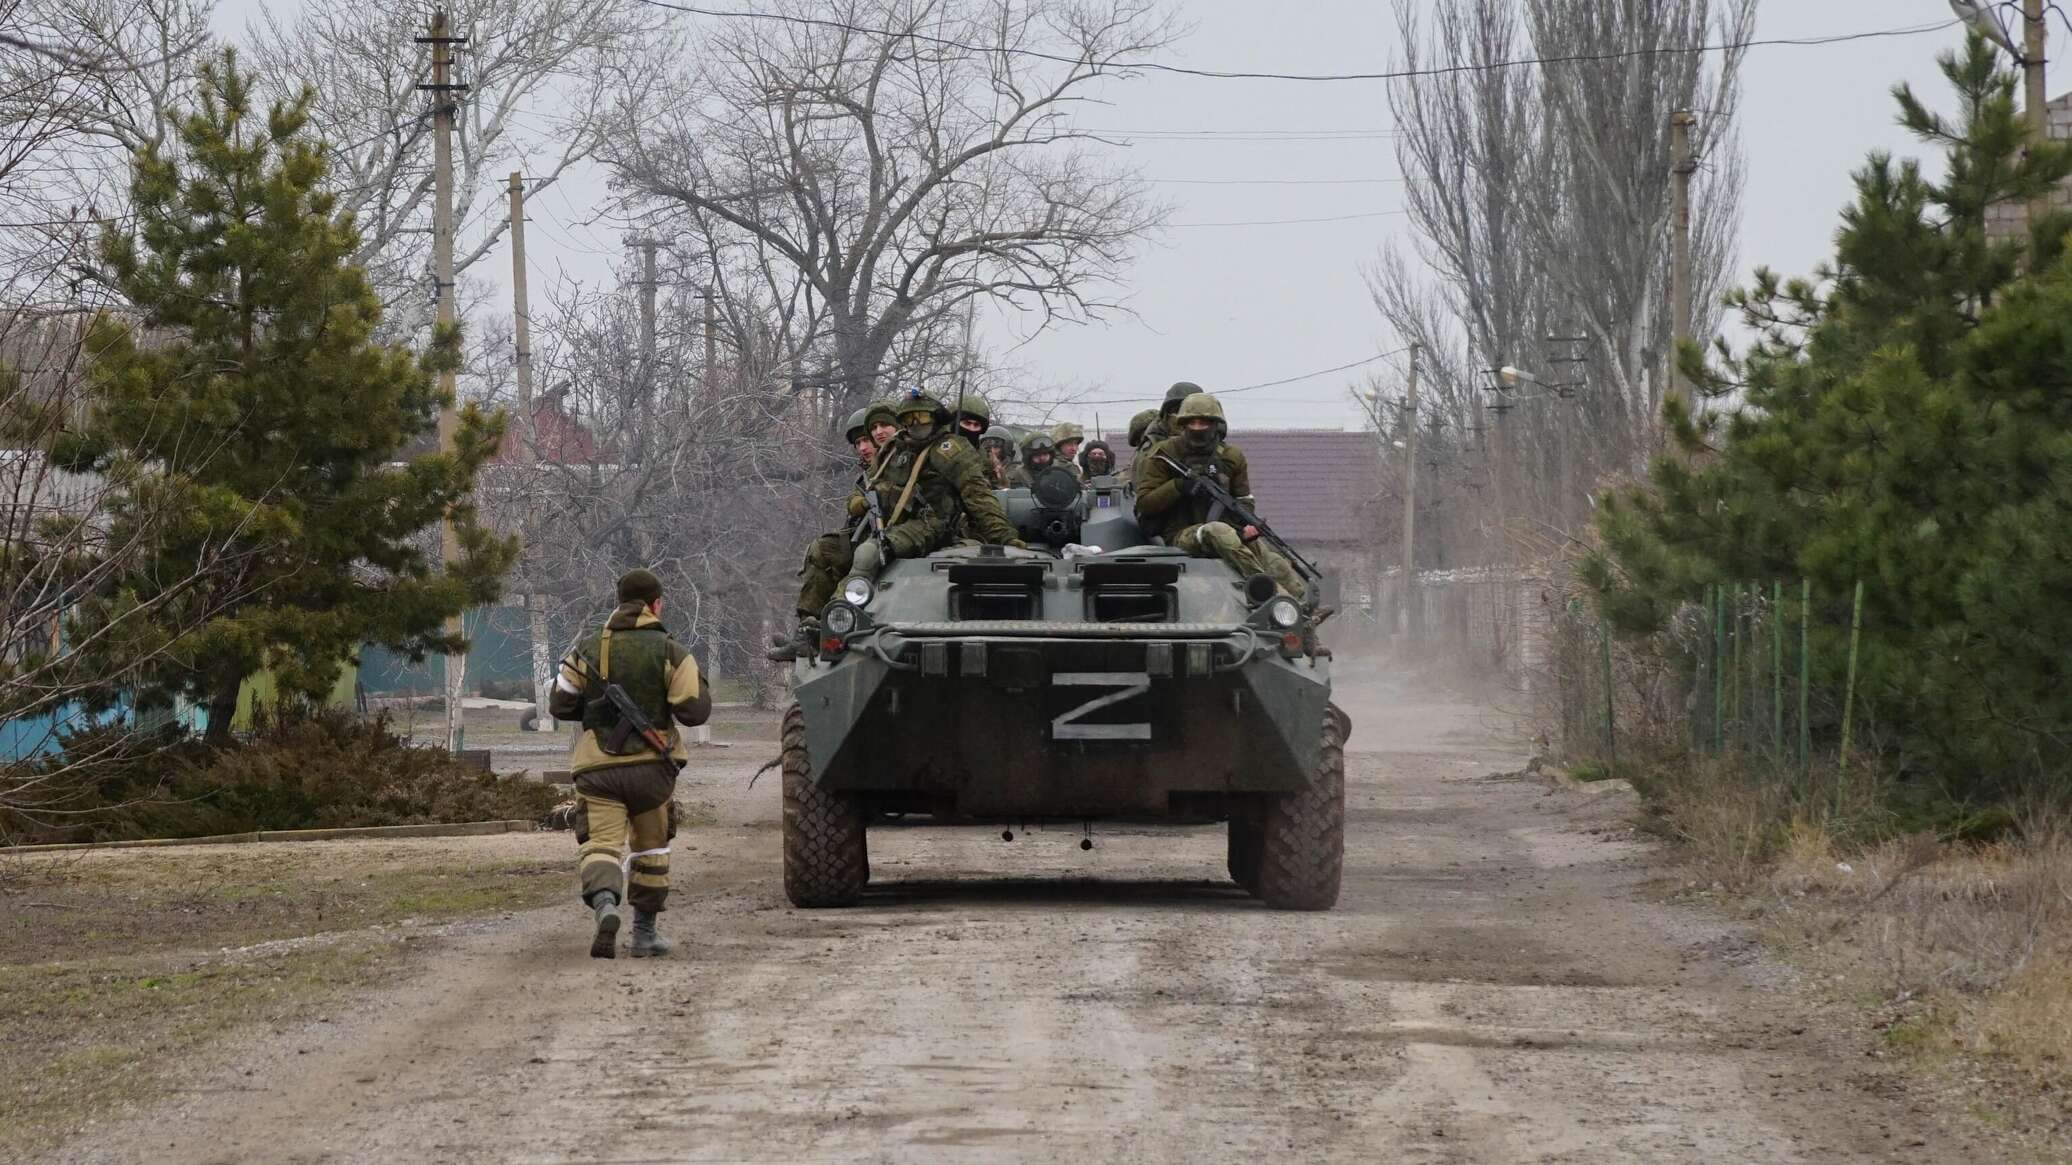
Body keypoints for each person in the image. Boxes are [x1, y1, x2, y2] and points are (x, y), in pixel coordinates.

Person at [774, 389, 1023, 658]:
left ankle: (836, 622)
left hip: (931, 525)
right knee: (825, 550)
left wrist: (1008, 540)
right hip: (887, 524)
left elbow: (980, 498)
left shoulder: (949, 449)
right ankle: (808, 630)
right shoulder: (896, 448)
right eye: (910, 418)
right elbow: (871, 486)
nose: (916, 424)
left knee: (869, 554)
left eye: (922, 417)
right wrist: (864, 503)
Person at [550, 568, 711, 960]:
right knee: (650, 849)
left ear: (618, 603)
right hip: (652, 772)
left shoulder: (585, 649)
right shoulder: (671, 650)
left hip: (597, 770)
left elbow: (560, 704)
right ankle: (644, 933)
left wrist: (596, 712)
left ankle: (605, 904)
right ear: (656, 604)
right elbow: (693, 711)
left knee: (601, 845)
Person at [1134, 393, 1308, 604]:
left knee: (1274, 560)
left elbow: (1243, 500)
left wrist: (1246, 527)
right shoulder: (1163, 454)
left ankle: (1303, 613)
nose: (1197, 428)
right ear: (1182, 425)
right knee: (1216, 530)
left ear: (1216, 425)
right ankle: (1269, 593)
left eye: (1204, 422)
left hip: (1230, 534)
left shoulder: (1231, 457)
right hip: (1181, 536)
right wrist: (1179, 486)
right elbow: (1145, 503)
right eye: (1192, 423)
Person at [1134, 382, 1202, 493]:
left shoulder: (1213, 445)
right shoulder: (1152, 449)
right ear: (1167, 413)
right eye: (1178, 410)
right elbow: (1145, 496)